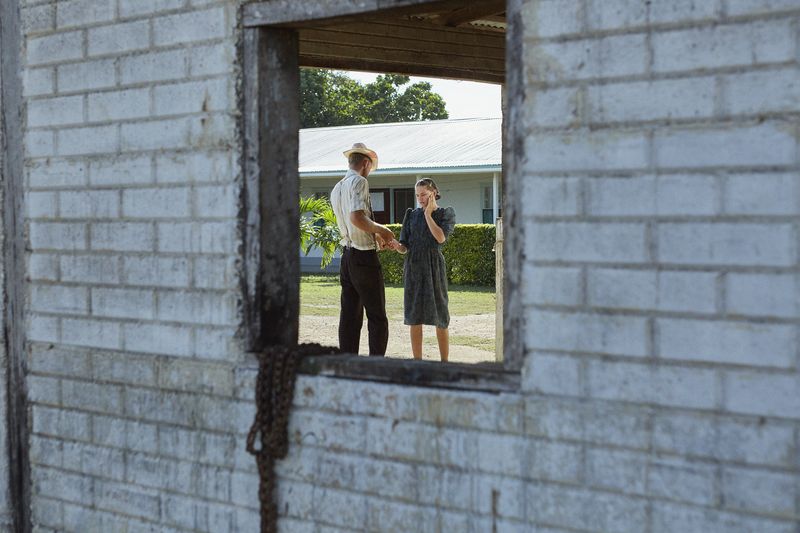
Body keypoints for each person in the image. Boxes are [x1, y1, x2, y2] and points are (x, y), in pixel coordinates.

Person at [330, 143, 396, 356]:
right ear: (365, 163)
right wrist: (383, 230)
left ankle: (348, 363)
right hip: (363, 257)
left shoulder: (337, 187)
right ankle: (375, 364)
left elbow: (353, 222)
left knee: (349, 316)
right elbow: (356, 217)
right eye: (370, 166)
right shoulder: (359, 181)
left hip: (346, 256)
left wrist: (373, 232)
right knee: (377, 317)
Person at [388, 178, 455, 361]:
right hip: (413, 267)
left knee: (440, 315)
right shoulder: (411, 214)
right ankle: (418, 362)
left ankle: (444, 362)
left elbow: (440, 238)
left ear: (433, 193)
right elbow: (405, 246)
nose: (420, 199)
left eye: (423, 195)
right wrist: (396, 246)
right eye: (417, 195)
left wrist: (428, 214)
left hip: (434, 267)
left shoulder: (445, 213)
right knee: (414, 315)